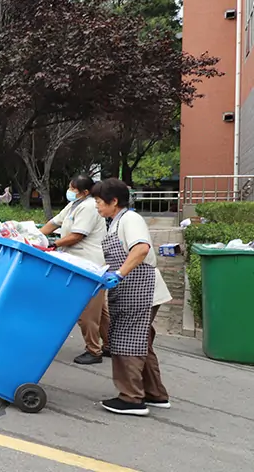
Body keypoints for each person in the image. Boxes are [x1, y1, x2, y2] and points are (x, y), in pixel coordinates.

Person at [92, 178, 172, 416]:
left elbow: (141, 249)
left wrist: (118, 274)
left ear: (113, 201)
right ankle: (155, 393)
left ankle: (131, 398)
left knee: (127, 341)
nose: (96, 205)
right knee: (141, 340)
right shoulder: (115, 222)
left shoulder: (130, 219)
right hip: (133, 289)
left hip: (140, 289)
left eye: (98, 201)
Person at [39, 174, 110, 365]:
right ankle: (111, 345)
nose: (69, 191)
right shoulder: (74, 205)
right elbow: (54, 222)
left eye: (73, 189)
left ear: (85, 192)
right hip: (77, 261)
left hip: (88, 264)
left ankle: (94, 351)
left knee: (87, 311)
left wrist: (53, 244)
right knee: (100, 310)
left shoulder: (89, 207)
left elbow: (78, 235)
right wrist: (35, 236)